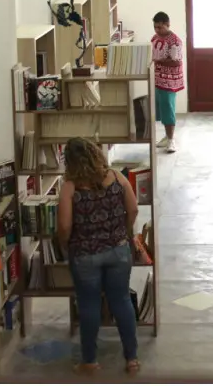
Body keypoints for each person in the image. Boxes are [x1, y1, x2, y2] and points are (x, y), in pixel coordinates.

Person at [56, 137, 140, 376]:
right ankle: (132, 359)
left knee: (89, 305)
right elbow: (133, 209)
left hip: (85, 255)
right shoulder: (116, 177)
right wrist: (122, 233)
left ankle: (90, 361)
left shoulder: (70, 186)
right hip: (118, 250)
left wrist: (66, 246)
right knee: (121, 301)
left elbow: (64, 226)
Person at [151, 12, 184, 153]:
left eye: (160, 27)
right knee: (161, 109)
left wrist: (159, 61)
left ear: (167, 25)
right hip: (158, 78)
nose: (157, 30)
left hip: (169, 81)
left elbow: (176, 62)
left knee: (168, 108)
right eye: (155, 27)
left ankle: (171, 140)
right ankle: (166, 136)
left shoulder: (175, 41)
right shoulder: (154, 38)